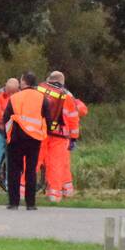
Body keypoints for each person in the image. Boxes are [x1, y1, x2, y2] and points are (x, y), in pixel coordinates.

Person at [3, 72, 46, 210]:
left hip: (16, 139)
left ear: (23, 82)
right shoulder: (42, 98)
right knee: (31, 171)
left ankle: (14, 203)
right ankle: (31, 204)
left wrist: (7, 135)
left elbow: (5, 118)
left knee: (14, 171)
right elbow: (48, 117)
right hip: (34, 139)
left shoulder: (15, 97)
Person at [36, 71, 75, 203]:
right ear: (62, 81)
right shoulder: (67, 96)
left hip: (40, 131)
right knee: (55, 165)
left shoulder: (40, 90)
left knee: (34, 161)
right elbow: (73, 118)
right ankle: (54, 195)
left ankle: (23, 190)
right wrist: (73, 137)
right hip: (59, 135)